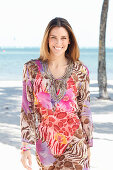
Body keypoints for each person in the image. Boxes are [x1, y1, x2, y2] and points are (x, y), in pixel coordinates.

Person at [20, 17, 93, 170]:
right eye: (53, 38)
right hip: (46, 145)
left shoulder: (80, 71)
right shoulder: (32, 69)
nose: (58, 43)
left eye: (63, 38)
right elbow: (27, 110)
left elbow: (85, 110)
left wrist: (89, 145)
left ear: (69, 41)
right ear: (47, 40)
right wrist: (25, 147)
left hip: (75, 142)